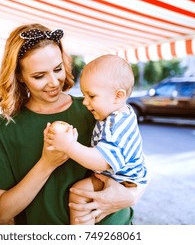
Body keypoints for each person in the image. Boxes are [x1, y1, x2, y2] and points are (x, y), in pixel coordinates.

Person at [0, 23, 147, 225]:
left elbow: (134, 162)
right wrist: (47, 163)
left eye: (57, 69)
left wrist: (131, 196)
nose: (53, 82)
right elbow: (3, 211)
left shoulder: (93, 108)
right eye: (39, 76)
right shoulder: (6, 127)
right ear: (19, 76)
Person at [45, 54, 149, 225]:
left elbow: (102, 162)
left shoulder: (116, 125)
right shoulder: (117, 113)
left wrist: (69, 146)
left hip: (123, 181)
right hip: (120, 178)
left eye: (91, 96)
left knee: (79, 193)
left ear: (118, 96)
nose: (85, 102)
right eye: (84, 95)